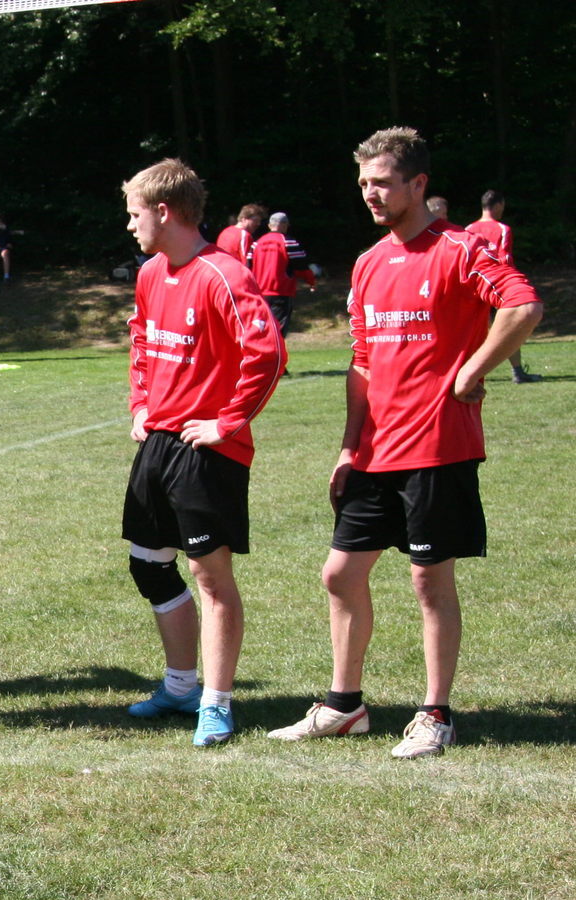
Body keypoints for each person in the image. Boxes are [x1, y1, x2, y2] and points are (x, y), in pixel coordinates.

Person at [267, 127, 541, 758]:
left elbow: (523, 308)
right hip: (375, 450)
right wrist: (348, 447)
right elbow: (362, 362)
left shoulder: (461, 248)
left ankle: (435, 714)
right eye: (365, 183)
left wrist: (473, 371)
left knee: (428, 581)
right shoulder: (368, 262)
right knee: (340, 575)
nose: (371, 193)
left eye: (384, 182)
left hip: (439, 446)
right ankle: (344, 707)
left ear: (418, 184)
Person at [120, 159, 285, 747]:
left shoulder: (224, 273)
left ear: (164, 212)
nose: (131, 225)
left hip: (205, 448)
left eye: (135, 214)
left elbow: (267, 353)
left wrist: (228, 422)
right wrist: (141, 403)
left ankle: (216, 703)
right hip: (159, 441)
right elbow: (142, 340)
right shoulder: (150, 273)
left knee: (209, 576)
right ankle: (180, 686)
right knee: (148, 562)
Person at [466, 190, 541, 383]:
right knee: (509, 328)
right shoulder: (502, 229)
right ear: (498, 205)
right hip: (497, 285)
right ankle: (517, 372)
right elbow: (504, 258)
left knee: (475, 332)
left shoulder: (468, 229)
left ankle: (465, 371)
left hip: (473, 285)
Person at [251, 211, 316, 338]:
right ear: (285, 225)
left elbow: (248, 267)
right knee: (278, 332)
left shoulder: (256, 243)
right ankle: (275, 351)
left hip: (259, 293)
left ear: (270, 225)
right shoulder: (289, 242)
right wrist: (311, 281)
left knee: (261, 328)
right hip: (281, 292)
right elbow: (301, 267)